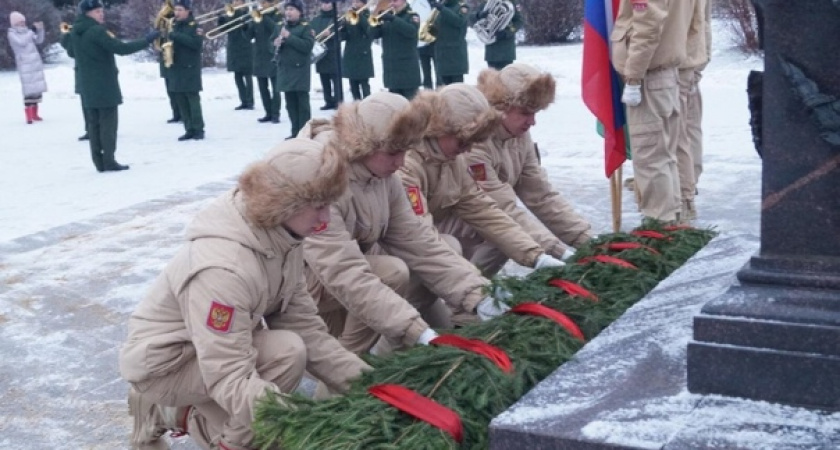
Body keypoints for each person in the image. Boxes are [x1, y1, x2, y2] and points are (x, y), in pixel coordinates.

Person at [120, 137, 369, 450]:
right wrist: (295, 419)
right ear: (284, 203)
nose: (326, 219)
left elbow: (307, 330)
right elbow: (227, 373)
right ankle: (169, 409)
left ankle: (206, 423)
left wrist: (370, 386)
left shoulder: (284, 236)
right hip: (168, 365)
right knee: (274, 419)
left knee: (290, 350)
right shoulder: (224, 269)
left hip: (212, 349)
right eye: (318, 206)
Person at [300, 92, 505, 358]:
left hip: (348, 272)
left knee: (426, 320)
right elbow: (341, 269)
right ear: (366, 145)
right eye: (394, 153)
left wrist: (478, 294)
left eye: (406, 151)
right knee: (346, 357)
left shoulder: (383, 176)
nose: (400, 163)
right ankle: (355, 369)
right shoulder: (322, 176)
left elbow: (420, 243)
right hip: (303, 284)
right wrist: (412, 327)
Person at [398, 83, 566, 278]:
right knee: (444, 251)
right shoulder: (407, 165)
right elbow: (420, 238)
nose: (467, 150)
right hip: (400, 252)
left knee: (499, 234)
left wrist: (536, 256)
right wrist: (475, 287)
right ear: (440, 130)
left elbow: (484, 210)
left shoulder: (453, 158)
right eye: (463, 141)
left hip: (428, 241)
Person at [444, 64, 593, 277]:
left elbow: (541, 195)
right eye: (525, 113)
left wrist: (586, 240)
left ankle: (475, 291)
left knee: (510, 232)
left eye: (535, 113)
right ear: (502, 107)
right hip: (455, 227)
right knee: (506, 233)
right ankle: (468, 292)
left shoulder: (520, 137)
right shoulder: (475, 144)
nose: (532, 122)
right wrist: (556, 253)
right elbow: (501, 208)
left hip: (486, 219)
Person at [611, 0, 696, 223]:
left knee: (651, 157)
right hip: (662, 72)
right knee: (665, 155)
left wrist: (634, 77)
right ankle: (671, 220)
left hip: (648, 74)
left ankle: (659, 225)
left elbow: (648, 25)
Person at [72, 0, 158, 172]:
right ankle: (109, 160)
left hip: (86, 83)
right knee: (108, 124)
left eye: (101, 10)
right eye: (97, 11)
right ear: (87, 14)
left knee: (93, 124)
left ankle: (98, 161)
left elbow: (69, 50)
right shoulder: (97, 31)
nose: (101, 14)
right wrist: (147, 40)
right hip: (104, 84)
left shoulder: (74, 31)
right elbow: (121, 49)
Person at [676, 0, 711, 222]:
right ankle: (688, 182)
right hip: (692, 57)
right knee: (688, 128)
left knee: (679, 133)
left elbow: (700, 22)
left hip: (680, 60)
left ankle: (684, 190)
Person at [274, 0, 315, 139]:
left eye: (292, 9)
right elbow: (269, 43)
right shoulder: (280, 26)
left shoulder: (305, 27)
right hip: (285, 70)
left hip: (299, 71)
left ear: (299, 11)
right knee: (290, 104)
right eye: (287, 9)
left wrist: (289, 37)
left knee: (302, 105)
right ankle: (294, 132)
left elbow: (307, 46)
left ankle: (305, 133)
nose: (288, 12)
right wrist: (275, 43)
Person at [168, 0, 206, 141]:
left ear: (188, 11)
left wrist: (175, 36)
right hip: (176, 66)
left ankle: (198, 129)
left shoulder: (195, 25)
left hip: (190, 67)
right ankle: (188, 129)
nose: (176, 13)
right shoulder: (175, 25)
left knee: (192, 99)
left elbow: (196, 44)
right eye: (176, 10)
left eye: (179, 10)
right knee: (180, 99)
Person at [369, 0, 422, 99]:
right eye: (391, 1)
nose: (392, 3)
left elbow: (411, 31)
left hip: (407, 72)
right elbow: (372, 35)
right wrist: (375, 21)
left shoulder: (412, 16)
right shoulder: (387, 18)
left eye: (395, 1)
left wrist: (393, 19)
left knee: (411, 107)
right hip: (391, 72)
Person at [8, 11, 47, 125]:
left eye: (23, 22)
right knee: (28, 90)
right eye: (20, 22)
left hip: (34, 63)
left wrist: (40, 30)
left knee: (36, 89)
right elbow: (22, 42)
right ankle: (28, 115)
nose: (22, 24)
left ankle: (35, 113)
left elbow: (39, 40)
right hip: (24, 63)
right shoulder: (12, 34)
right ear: (14, 23)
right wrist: (32, 30)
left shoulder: (27, 32)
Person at [247, 0, 282, 123]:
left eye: (265, 3)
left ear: (271, 4)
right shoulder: (258, 16)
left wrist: (264, 16)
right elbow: (248, 36)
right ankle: (268, 112)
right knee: (262, 87)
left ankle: (275, 113)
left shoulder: (277, 15)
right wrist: (245, 25)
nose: (262, 5)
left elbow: (275, 29)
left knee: (275, 87)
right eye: (261, 3)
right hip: (259, 55)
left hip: (272, 54)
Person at [219, 0, 255, 111]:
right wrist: (221, 20)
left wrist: (244, 23)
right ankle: (243, 100)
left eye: (237, 1)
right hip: (233, 46)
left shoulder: (247, 13)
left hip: (245, 46)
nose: (235, 3)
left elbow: (250, 28)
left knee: (247, 75)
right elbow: (224, 29)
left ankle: (250, 101)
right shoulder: (230, 13)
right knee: (237, 75)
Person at [59, 17, 89, 139]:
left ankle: (99, 129)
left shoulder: (94, 30)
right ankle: (90, 129)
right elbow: (70, 50)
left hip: (91, 72)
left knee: (94, 105)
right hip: (82, 72)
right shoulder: (76, 32)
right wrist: (66, 33)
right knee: (86, 104)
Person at [470, 0, 523, 70]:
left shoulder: (511, 2)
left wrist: (507, 32)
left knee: (506, 78)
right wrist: (479, 15)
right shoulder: (488, 2)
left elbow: (519, 22)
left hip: (506, 50)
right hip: (492, 51)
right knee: (492, 79)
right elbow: (471, 18)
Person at [427, 0, 468, 85]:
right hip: (442, 54)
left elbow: (459, 21)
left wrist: (442, 9)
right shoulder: (439, 9)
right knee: (444, 89)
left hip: (456, 55)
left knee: (456, 89)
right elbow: (437, 29)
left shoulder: (462, 7)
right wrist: (430, 29)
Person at [340, 0, 374, 100]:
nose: (355, 4)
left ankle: (367, 105)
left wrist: (360, 16)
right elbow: (345, 35)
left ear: (364, 4)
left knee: (364, 84)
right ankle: (356, 104)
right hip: (351, 54)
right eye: (353, 2)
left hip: (363, 54)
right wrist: (341, 27)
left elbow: (369, 31)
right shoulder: (350, 16)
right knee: (353, 84)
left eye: (358, 2)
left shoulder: (369, 16)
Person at [310, 0, 341, 110]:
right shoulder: (316, 20)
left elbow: (342, 35)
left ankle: (338, 101)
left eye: (328, 3)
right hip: (320, 53)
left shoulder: (337, 19)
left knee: (336, 80)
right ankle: (328, 101)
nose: (326, 5)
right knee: (324, 79)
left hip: (333, 52)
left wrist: (331, 34)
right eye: (323, 3)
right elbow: (310, 33)